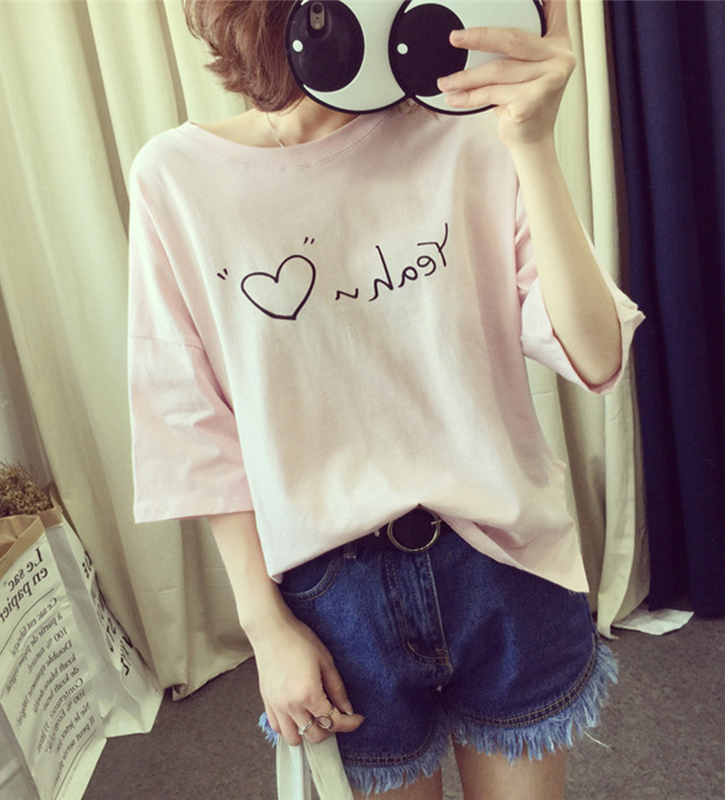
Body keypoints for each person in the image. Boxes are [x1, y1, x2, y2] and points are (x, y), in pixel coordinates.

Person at [127, 1, 644, 798]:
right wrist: (266, 629)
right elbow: (193, 426)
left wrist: (533, 142)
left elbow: (596, 354)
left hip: (503, 561)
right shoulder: (178, 179)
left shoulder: (469, 133)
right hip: (336, 602)